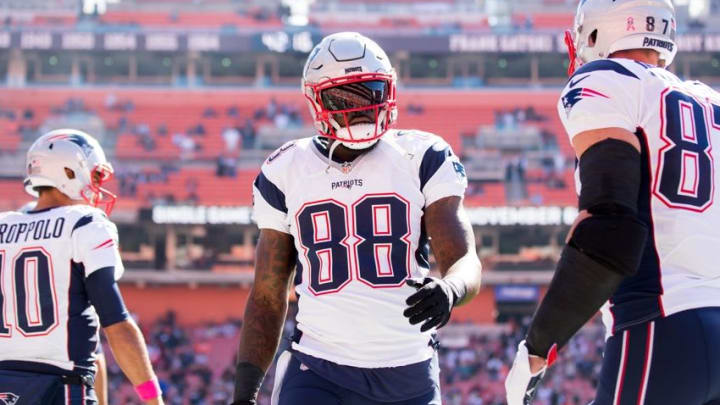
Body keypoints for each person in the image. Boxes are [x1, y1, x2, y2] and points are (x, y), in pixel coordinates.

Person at [232, 32, 483, 405]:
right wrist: (244, 394)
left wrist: (451, 288)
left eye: (372, 93)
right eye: (346, 97)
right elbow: (268, 295)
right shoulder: (285, 169)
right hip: (318, 368)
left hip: (408, 372)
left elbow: (464, 260)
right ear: (317, 99)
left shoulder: (422, 155)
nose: (361, 110)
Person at [505, 1, 720, 404]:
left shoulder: (608, 80)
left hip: (660, 325)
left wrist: (538, 347)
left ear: (595, 34)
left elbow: (611, 231)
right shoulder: (711, 102)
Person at [0, 129, 163, 404]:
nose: (97, 184)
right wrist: (153, 399)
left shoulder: (3, 225)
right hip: (60, 388)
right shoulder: (85, 224)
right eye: (96, 175)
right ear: (70, 172)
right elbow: (116, 324)